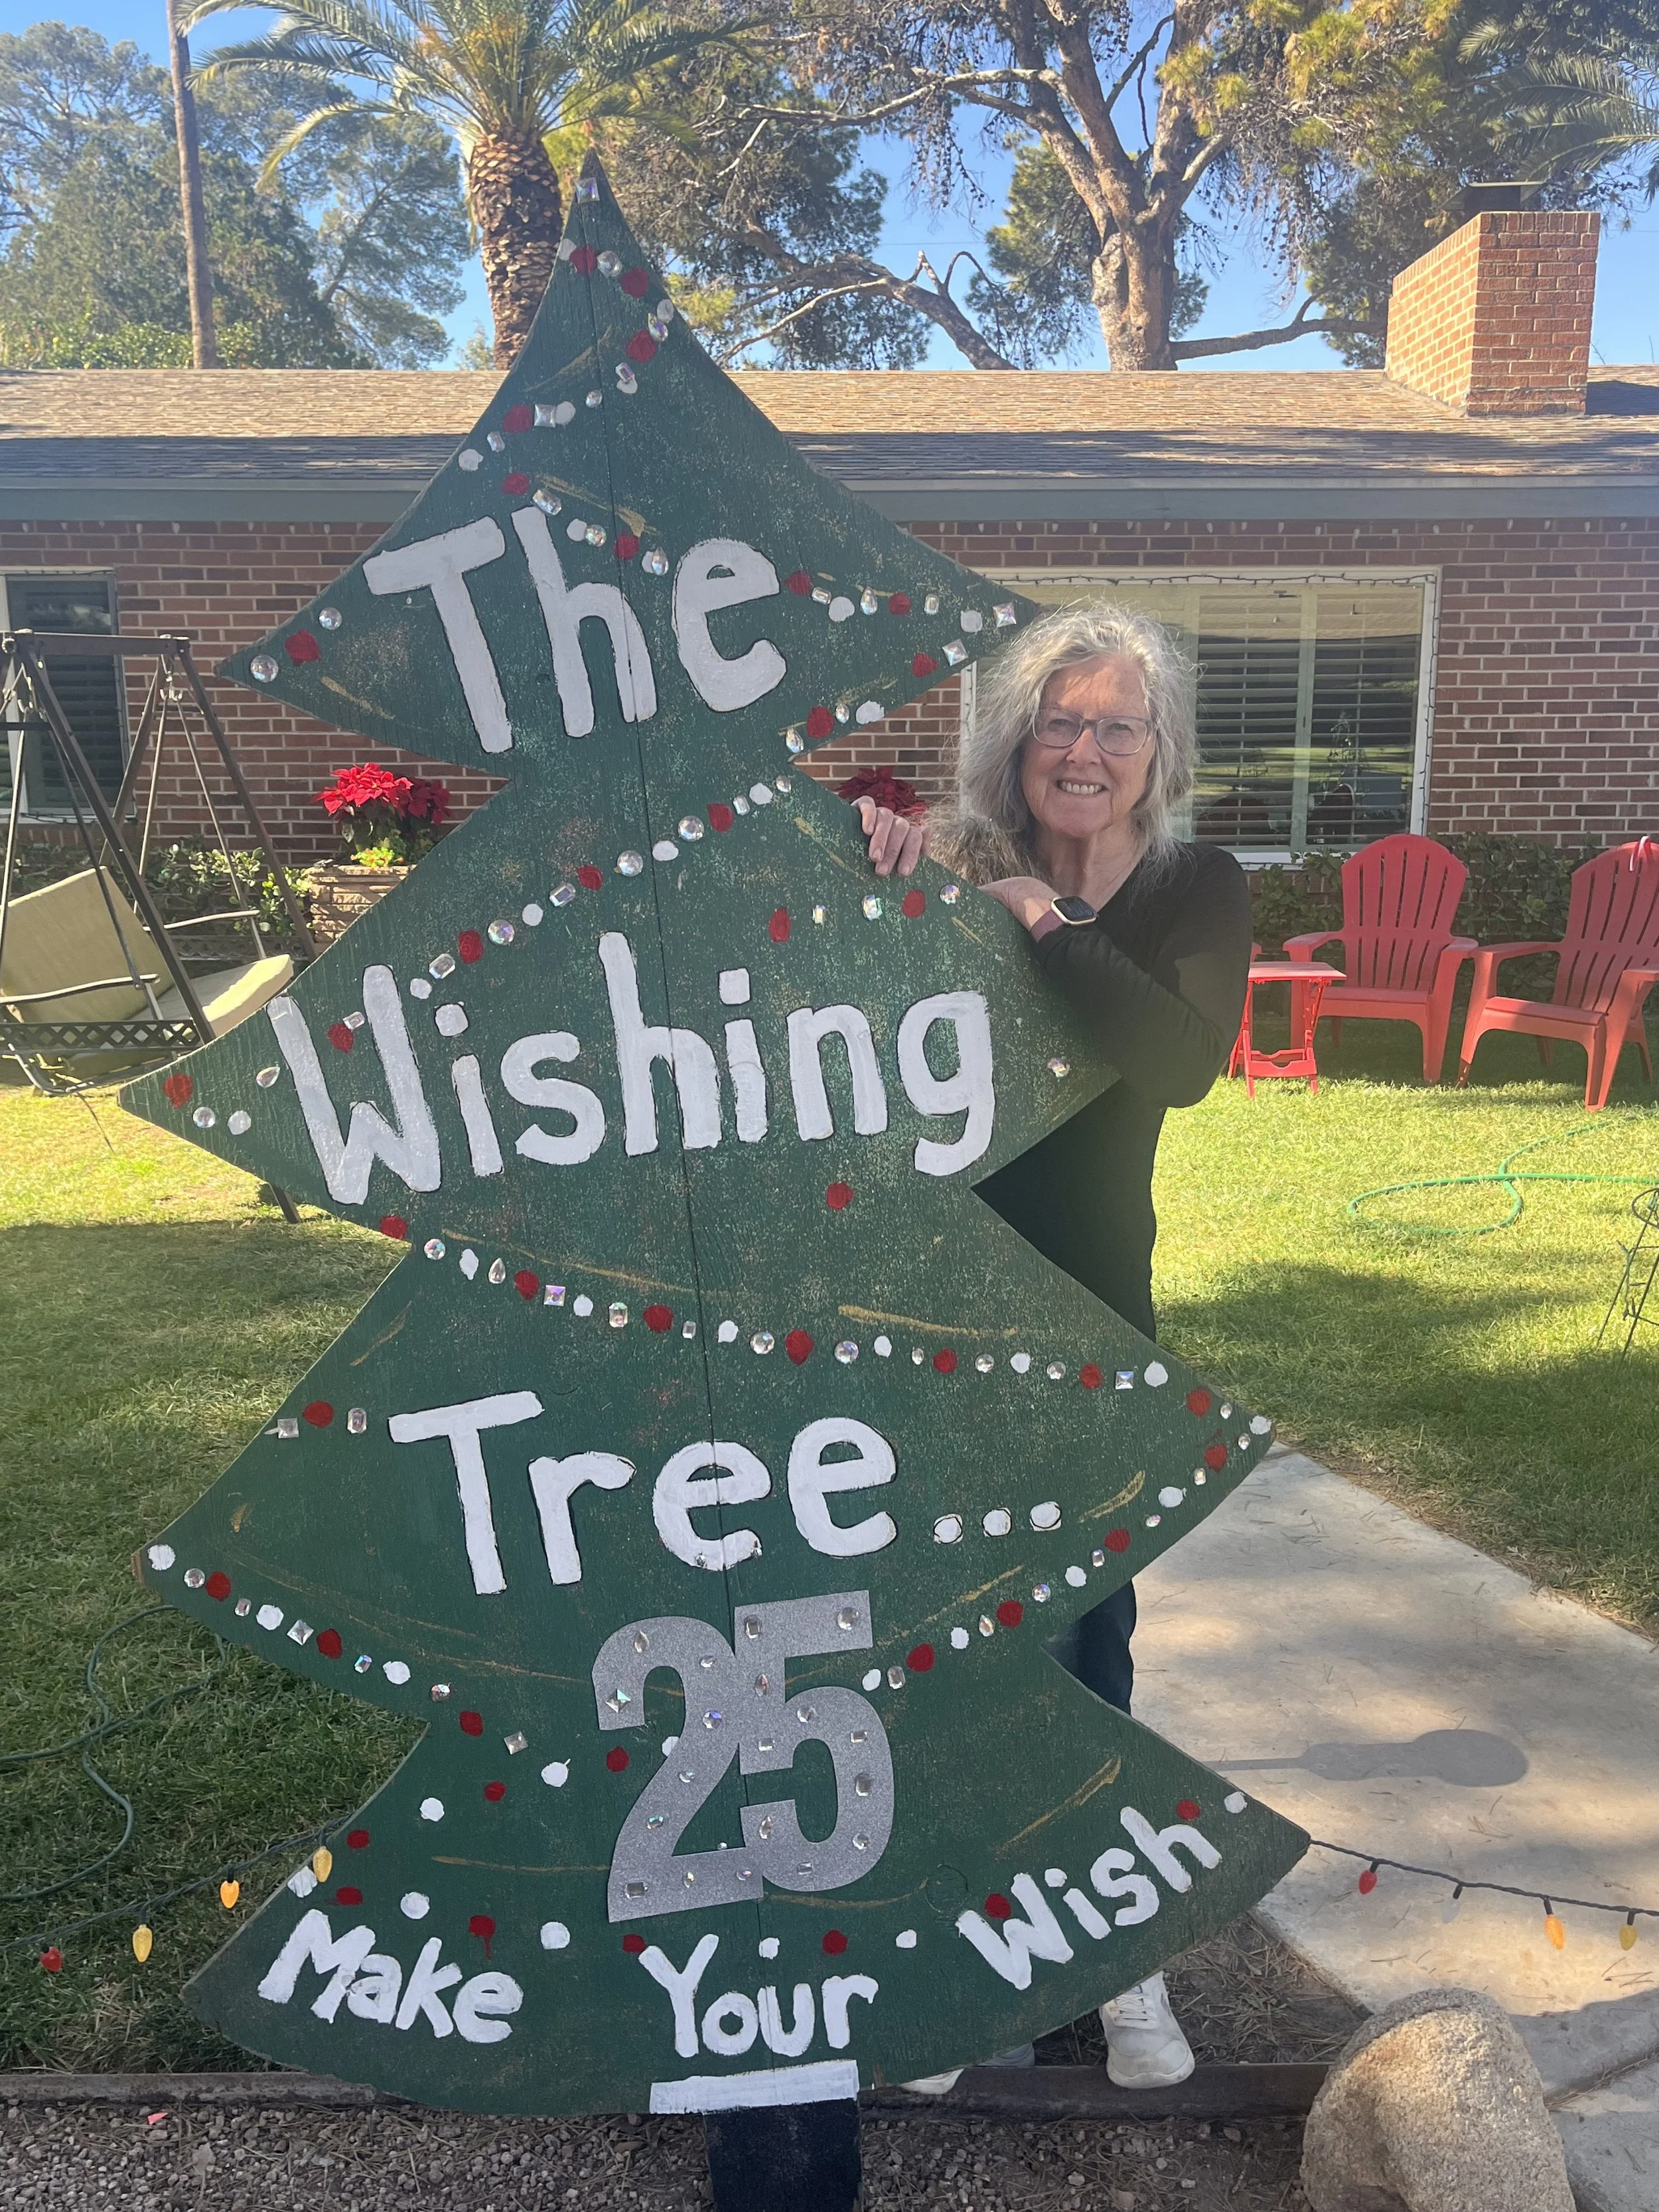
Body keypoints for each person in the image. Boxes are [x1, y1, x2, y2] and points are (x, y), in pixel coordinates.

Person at [854, 598, 1252, 2091]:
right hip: (932, 1321)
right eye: (1056, 721)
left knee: (1088, 1649)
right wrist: (874, 854)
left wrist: (1037, 916)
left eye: (1115, 725)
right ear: (1013, 743)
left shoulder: (1192, 887)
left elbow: (1178, 1060)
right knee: (951, 1645)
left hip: (1092, 1325)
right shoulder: (949, 864)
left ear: (1157, 753)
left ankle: (1118, 1960)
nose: (1081, 749)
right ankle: (967, 1965)